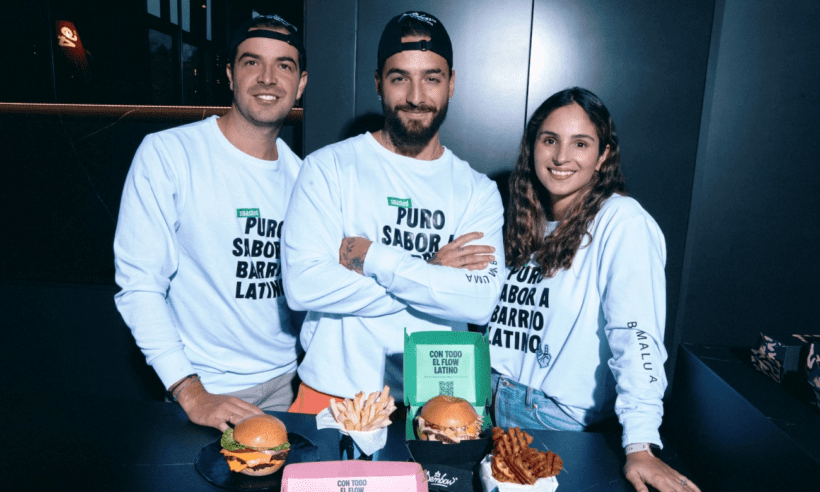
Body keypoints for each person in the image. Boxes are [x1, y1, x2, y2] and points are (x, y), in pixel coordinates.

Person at [282, 11, 504, 414]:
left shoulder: (477, 191)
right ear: (378, 83)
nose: (416, 96)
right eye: (400, 78)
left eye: (432, 78)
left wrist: (375, 259)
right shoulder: (328, 168)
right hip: (332, 394)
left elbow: (477, 302)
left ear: (451, 83)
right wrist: (431, 269)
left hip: (437, 403)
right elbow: (303, 286)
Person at [487, 87, 700, 492]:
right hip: (491, 409)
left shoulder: (621, 221)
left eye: (580, 143)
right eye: (549, 140)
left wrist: (640, 444)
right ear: (532, 147)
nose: (562, 157)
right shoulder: (520, 219)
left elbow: (636, 336)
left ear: (603, 156)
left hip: (557, 422)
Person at [113, 14, 308, 432]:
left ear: (301, 83)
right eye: (252, 63)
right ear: (230, 75)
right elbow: (139, 284)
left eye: (284, 66)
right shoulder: (169, 154)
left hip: (288, 388)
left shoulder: (305, 179)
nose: (268, 79)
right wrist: (189, 391)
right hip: (204, 390)